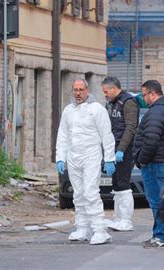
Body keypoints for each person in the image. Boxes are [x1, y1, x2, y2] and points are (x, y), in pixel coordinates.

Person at [56, 79, 116, 245]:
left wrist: (109, 158)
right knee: (78, 193)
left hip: (91, 155)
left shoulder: (96, 109)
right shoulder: (68, 110)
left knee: (90, 192)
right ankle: (82, 228)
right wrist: (60, 157)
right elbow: (63, 136)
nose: (78, 93)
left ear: (87, 90)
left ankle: (99, 230)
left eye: (81, 89)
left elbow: (107, 134)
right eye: (75, 89)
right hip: (73, 156)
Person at [132, 80, 164, 248]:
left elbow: (151, 140)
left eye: (144, 94)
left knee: (157, 201)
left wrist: (142, 160)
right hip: (163, 161)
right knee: (162, 201)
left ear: (152, 94)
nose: (143, 99)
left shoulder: (157, 112)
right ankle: (159, 234)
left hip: (155, 162)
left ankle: (161, 236)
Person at [101, 76, 139, 231]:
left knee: (123, 184)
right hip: (114, 148)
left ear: (113, 88)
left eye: (106, 91)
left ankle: (126, 220)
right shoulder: (112, 103)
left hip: (125, 149)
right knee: (116, 184)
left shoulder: (128, 102)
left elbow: (130, 128)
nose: (105, 94)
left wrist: (121, 150)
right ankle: (118, 218)